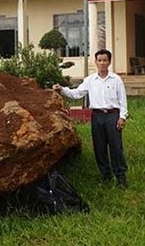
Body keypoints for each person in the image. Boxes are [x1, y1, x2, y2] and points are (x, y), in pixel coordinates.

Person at [53, 49, 129, 188]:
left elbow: (123, 100)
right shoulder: (90, 80)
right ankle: (106, 176)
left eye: (105, 60)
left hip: (112, 115)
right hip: (97, 116)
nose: (102, 63)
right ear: (95, 62)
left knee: (116, 147)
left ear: (109, 62)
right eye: (99, 60)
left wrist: (122, 117)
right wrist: (62, 89)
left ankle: (121, 177)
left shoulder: (116, 79)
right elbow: (77, 93)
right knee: (99, 148)